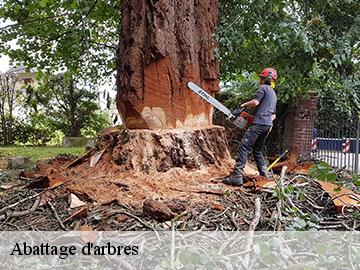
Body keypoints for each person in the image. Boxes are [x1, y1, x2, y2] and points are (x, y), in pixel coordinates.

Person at [223, 68, 278, 186]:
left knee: (244, 145)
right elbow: (273, 115)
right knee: (257, 149)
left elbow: (255, 102)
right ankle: (264, 174)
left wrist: (242, 105)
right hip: (268, 125)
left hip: (259, 123)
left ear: (262, 79)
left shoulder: (263, 88)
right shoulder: (273, 94)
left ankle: (237, 175)